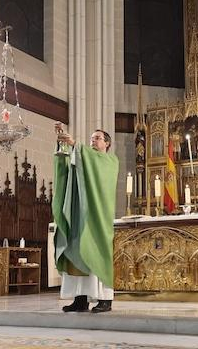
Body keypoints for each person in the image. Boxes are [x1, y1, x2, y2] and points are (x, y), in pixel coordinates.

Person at [52, 122, 119, 313]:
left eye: (97, 138)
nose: (93, 141)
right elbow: (69, 169)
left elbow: (90, 162)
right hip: (78, 216)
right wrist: (63, 145)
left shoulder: (110, 161)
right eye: (91, 139)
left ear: (107, 144)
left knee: (97, 253)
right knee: (77, 252)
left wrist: (75, 145)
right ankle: (80, 299)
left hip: (96, 218)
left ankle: (105, 299)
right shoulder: (85, 157)